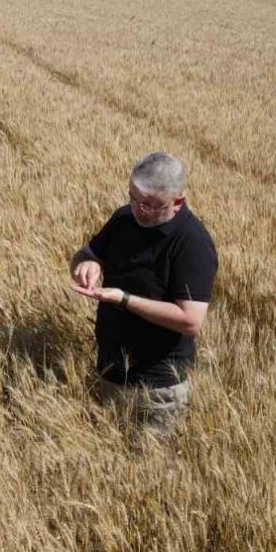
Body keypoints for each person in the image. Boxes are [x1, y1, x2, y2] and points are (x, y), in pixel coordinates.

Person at [69, 151, 218, 437]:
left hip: (158, 390)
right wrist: (86, 264)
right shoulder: (124, 219)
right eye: (133, 197)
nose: (138, 209)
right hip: (110, 372)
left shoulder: (192, 243)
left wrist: (123, 299)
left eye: (149, 204)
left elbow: (191, 321)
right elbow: (87, 253)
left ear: (178, 201)